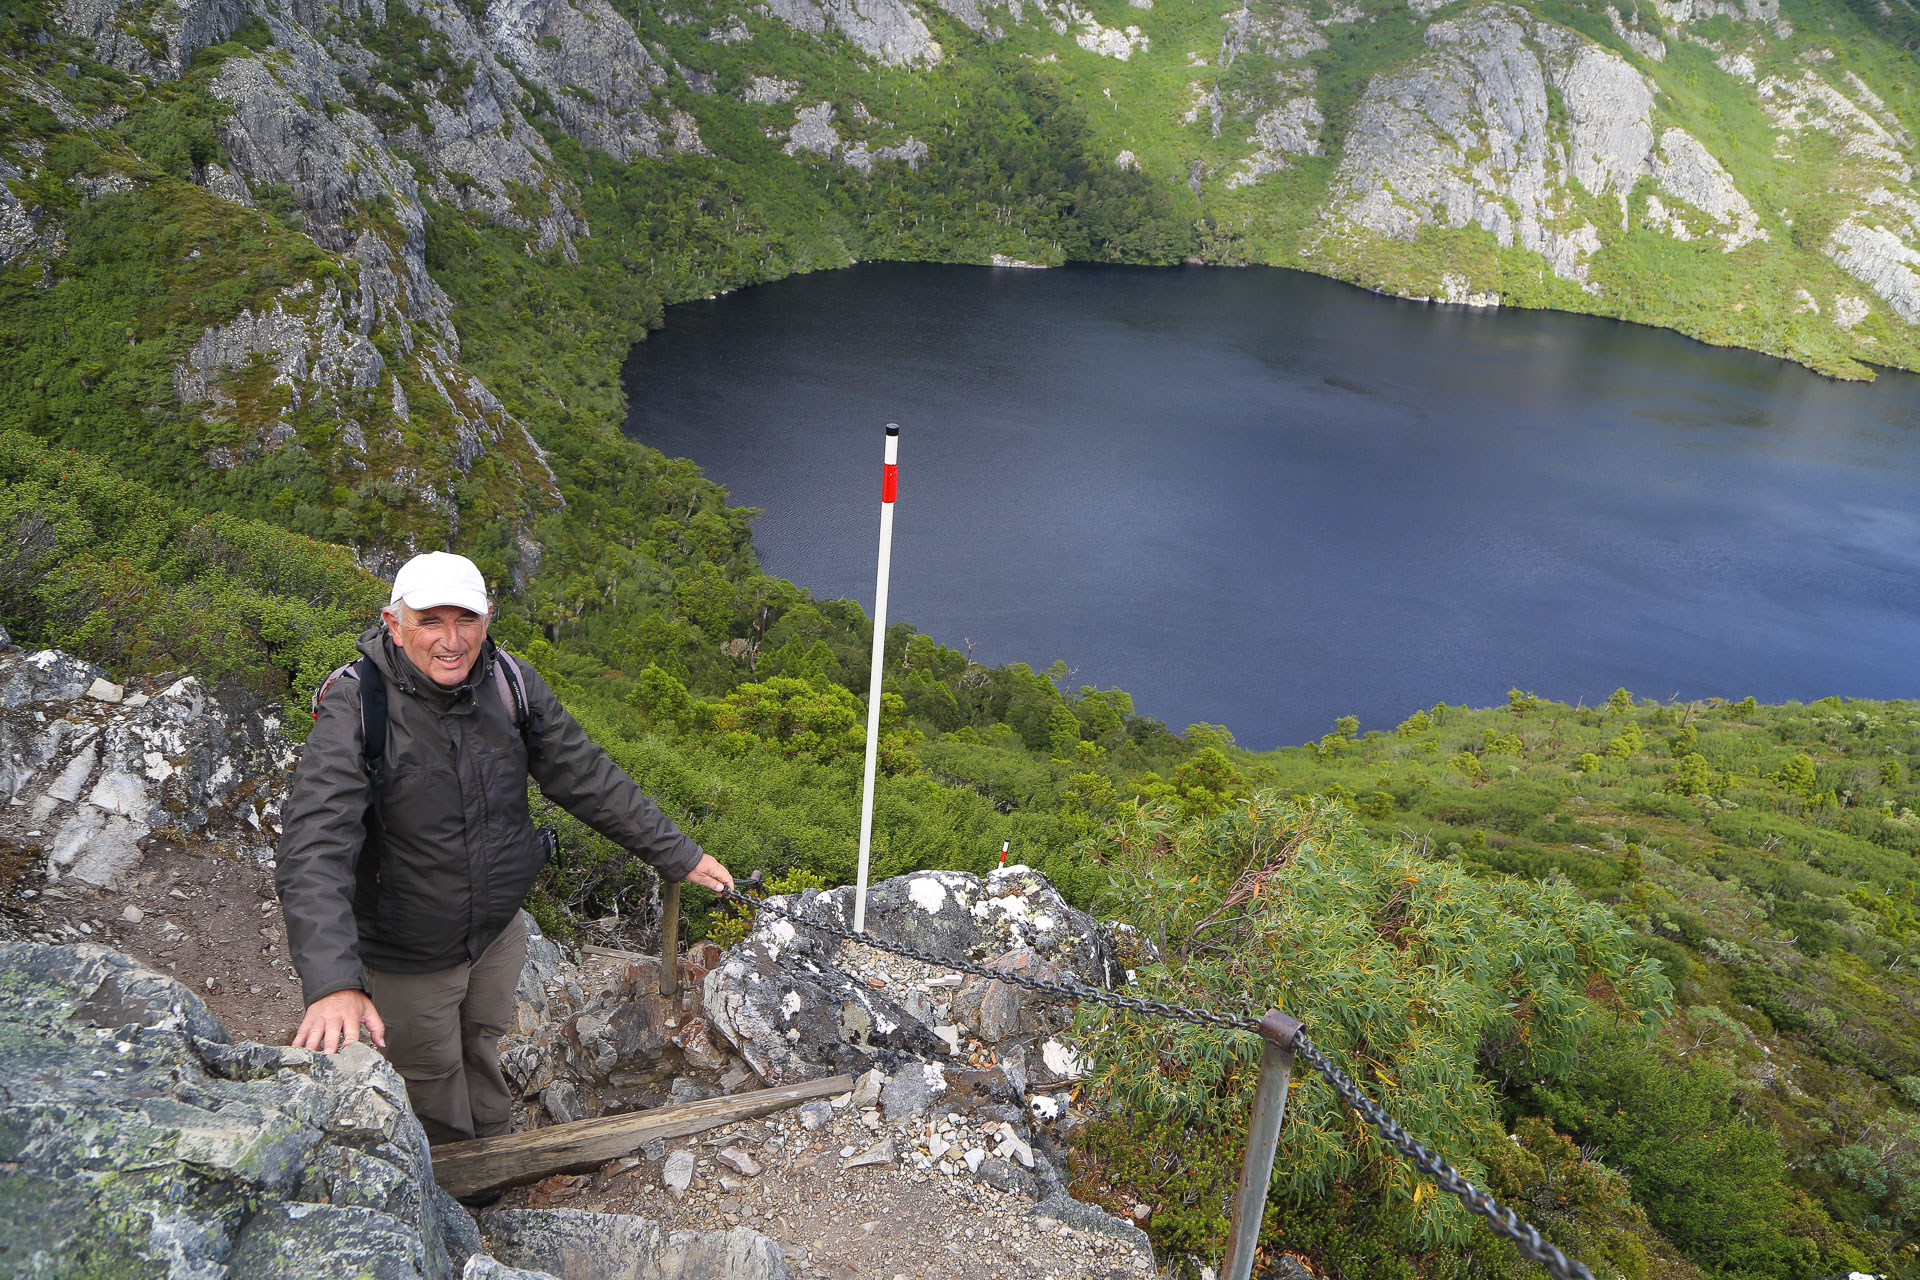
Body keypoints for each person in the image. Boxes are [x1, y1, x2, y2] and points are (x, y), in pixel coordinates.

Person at [276, 551, 732, 1147]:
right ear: (393, 623)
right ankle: (460, 1188)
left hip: (495, 932)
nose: (450, 640)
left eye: (465, 620)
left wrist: (678, 853)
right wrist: (335, 982)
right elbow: (315, 843)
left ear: (488, 618)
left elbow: (583, 774)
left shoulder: (510, 684)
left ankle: (496, 1144)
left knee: (482, 1043)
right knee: (429, 1070)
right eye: (430, 621)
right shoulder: (358, 705)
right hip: (406, 946)